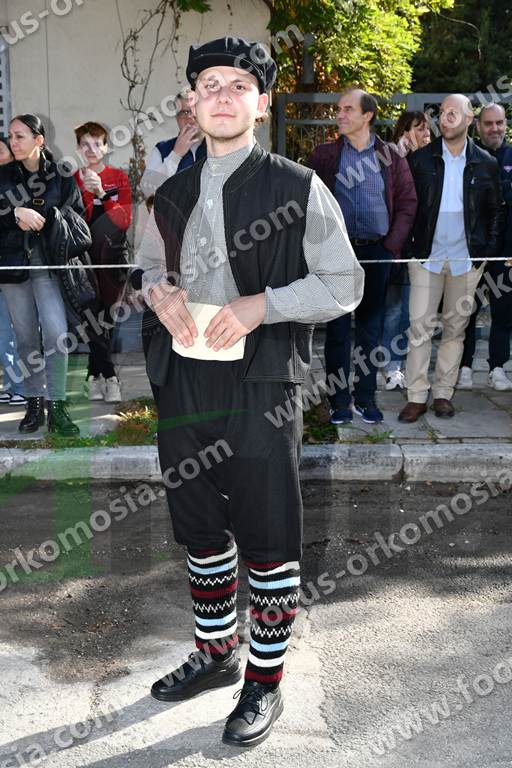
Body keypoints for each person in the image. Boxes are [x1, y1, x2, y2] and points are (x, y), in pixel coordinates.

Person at [138, 37, 364, 747]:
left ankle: (264, 681)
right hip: (184, 378)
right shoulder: (170, 192)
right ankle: (215, 654)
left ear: (262, 104)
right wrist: (158, 292)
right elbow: (147, 266)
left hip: (263, 382)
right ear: (192, 100)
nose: (223, 95)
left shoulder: (298, 186)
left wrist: (263, 305)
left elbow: (345, 285)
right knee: (200, 527)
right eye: (210, 83)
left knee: (269, 535)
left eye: (240, 85)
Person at [307, 88, 417, 425]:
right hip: (337, 254)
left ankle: (366, 398)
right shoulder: (325, 155)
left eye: (347, 109)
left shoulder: (390, 156)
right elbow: (308, 202)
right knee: (338, 331)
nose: (339, 115)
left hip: (376, 253)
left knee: (370, 331)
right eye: (339, 109)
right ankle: (339, 401)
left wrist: (390, 246)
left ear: (367, 115)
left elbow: (408, 203)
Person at [399, 94, 505, 423]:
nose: (445, 118)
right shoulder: (421, 160)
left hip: (466, 262)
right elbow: (406, 206)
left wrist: (484, 255)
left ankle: (443, 393)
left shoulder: (485, 162)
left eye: (453, 113)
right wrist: (410, 251)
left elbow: (495, 212)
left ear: (469, 119)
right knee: (419, 328)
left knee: (455, 331)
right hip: (426, 259)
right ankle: (416, 396)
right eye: (443, 112)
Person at [0, 114, 84, 435]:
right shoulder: (3, 175)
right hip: (13, 267)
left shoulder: (61, 175)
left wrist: (47, 217)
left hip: (49, 265)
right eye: (10, 136)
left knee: (56, 334)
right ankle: (34, 404)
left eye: (20, 136)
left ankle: (58, 407)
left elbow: (76, 216)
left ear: (39, 140)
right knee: (25, 339)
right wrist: (14, 213)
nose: (13, 142)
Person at [74, 121, 132, 403]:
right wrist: (86, 192)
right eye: (85, 144)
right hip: (84, 262)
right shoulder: (72, 179)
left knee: (106, 321)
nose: (91, 149)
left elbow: (124, 220)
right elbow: (76, 224)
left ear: (107, 147)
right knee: (90, 318)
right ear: (78, 148)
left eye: (97, 144)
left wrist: (101, 193)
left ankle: (92, 375)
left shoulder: (118, 177)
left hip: (112, 259)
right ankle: (110, 378)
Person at [456, 102, 512, 391]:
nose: (494, 129)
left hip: (506, 254)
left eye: (499, 123)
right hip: (473, 252)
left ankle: (497, 368)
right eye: (488, 123)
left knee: (504, 313)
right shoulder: (468, 158)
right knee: (466, 311)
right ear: (477, 126)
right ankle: (464, 367)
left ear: (505, 124)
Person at [380, 111, 431, 390]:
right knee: (394, 309)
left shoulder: (431, 160)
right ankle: (391, 368)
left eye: (427, 129)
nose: (425, 134)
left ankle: (410, 367)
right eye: (419, 129)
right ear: (404, 131)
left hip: (421, 249)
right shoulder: (389, 157)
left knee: (416, 312)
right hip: (396, 246)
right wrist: (398, 154)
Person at [140, 90, 207, 200]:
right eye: (184, 112)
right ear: (177, 118)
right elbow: (148, 191)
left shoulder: (221, 147)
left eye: (194, 110)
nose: (190, 116)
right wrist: (175, 155)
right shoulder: (162, 149)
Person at [0, 136, 26, 406]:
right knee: (3, 333)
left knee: (21, 331)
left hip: (16, 267)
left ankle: (23, 387)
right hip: (4, 267)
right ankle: (11, 384)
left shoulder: (20, 179)